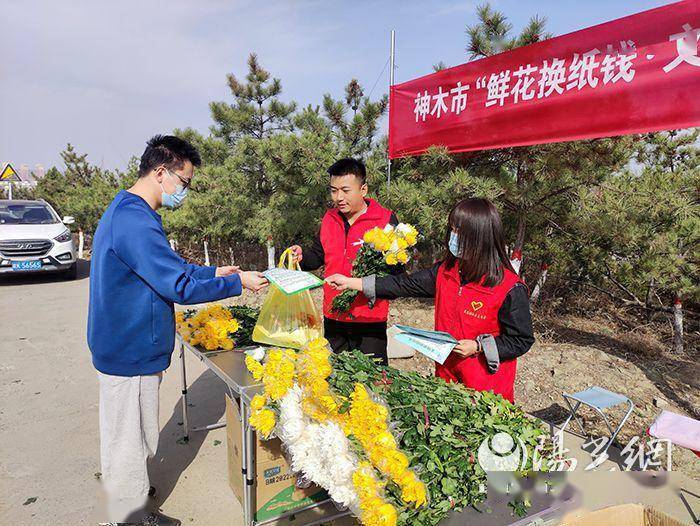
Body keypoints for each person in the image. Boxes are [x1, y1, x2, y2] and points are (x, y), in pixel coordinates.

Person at [87, 135, 268, 526]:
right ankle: (128, 516)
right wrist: (237, 284)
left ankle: (129, 493)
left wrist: (216, 272)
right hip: (127, 346)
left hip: (130, 341)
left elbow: (170, 266)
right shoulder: (134, 221)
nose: (183, 192)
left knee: (133, 435)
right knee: (127, 439)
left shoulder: (133, 212)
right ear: (161, 172)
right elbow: (177, 285)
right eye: (183, 182)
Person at [326, 198, 534, 402]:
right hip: (447, 381)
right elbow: (403, 285)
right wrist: (353, 283)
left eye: (460, 232)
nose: (454, 237)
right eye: (452, 230)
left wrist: (478, 346)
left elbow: (521, 340)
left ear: (480, 237)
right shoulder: (446, 272)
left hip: (486, 391)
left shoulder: (509, 287)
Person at [289, 158, 398, 365]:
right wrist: (302, 256)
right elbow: (318, 255)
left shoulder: (385, 221)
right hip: (334, 316)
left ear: (363, 189)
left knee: (371, 382)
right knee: (335, 377)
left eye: (345, 190)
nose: (338, 197)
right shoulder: (329, 219)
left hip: (369, 319)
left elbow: (395, 273)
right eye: (333, 190)